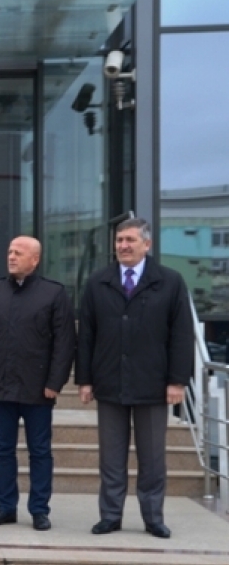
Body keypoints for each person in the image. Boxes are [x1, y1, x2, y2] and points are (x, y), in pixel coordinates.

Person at [76, 218, 193, 539]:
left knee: (152, 458)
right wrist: (84, 379)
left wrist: (177, 380)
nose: (123, 246)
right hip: (109, 382)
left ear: (147, 244)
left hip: (153, 385)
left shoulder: (169, 281)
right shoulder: (98, 282)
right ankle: (110, 516)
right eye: (119, 240)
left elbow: (181, 335)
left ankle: (153, 517)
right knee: (111, 457)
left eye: (129, 240)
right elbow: (86, 334)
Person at [0, 236, 74, 531]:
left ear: (35, 260)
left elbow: (65, 343)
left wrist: (56, 381)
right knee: (2, 450)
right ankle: (5, 507)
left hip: (38, 388)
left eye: (19, 252)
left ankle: (39, 509)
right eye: (9, 251)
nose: (12, 256)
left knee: (39, 450)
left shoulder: (53, 294)